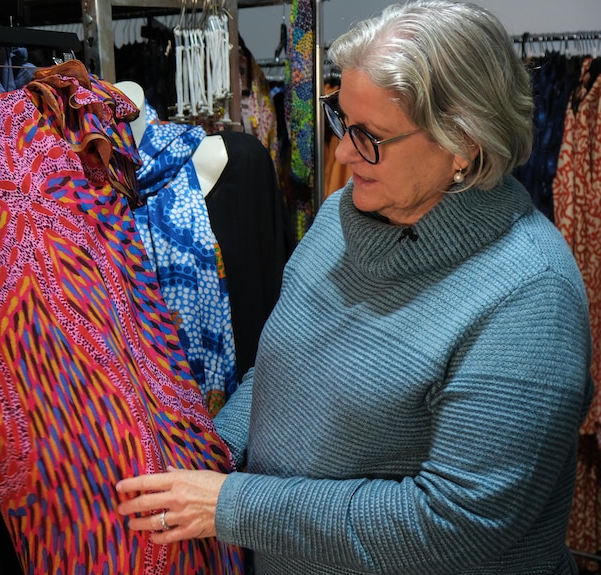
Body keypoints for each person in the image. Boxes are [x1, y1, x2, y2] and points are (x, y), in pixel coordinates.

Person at [115, 1, 595, 574]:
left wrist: (230, 504)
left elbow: (454, 525)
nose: (341, 153)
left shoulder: (530, 298)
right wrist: (205, 451)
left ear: (465, 144)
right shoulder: (343, 215)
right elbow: (276, 375)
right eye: (341, 121)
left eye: (369, 137)